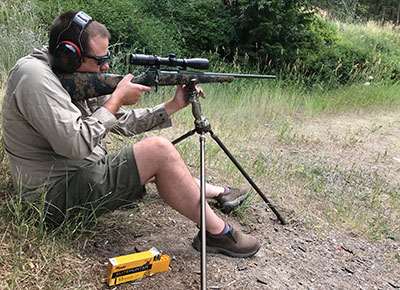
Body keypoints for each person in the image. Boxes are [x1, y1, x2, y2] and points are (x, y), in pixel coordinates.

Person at [2, 11, 260, 258]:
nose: (106, 67)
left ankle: (215, 191)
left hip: (76, 175)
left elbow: (120, 122)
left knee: (155, 161)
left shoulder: (66, 74)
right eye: (100, 61)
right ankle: (218, 234)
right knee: (158, 151)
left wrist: (172, 105)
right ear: (69, 55)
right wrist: (115, 99)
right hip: (49, 202)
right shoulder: (35, 77)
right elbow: (76, 145)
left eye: (107, 58)